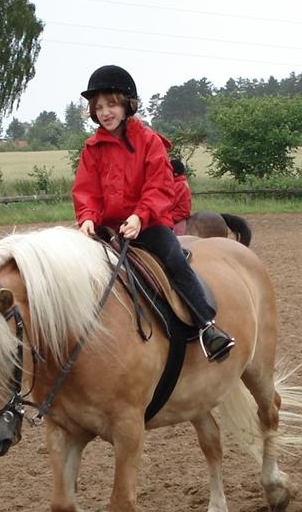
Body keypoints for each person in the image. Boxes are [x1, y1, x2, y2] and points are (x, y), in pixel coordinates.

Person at [73, 65, 234, 362]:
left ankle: (207, 326)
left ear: (127, 105)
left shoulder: (150, 142)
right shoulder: (92, 149)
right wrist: (87, 219)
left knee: (173, 256)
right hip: (105, 228)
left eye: (111, 104)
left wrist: (140, 216)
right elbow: (87, 191)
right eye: (99, 107)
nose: (105, 112)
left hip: (146, 226)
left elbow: (159, 187)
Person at [170, 156, 192, 235]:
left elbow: (171, 203)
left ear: (175, 173)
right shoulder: (178, 183)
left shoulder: (179, 185)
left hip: (178, 214)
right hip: (176, 212)